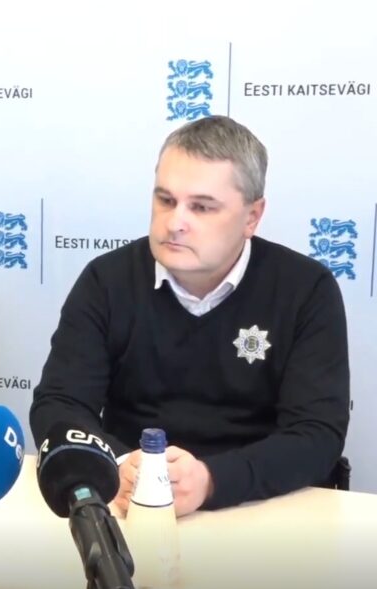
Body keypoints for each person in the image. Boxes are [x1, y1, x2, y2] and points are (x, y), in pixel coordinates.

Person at [30, 115, 349, 516]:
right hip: (131, 505)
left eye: (201, 207)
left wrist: (212, 480)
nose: (175, 223)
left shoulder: (306, 289)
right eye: (165, 200)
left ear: (252, 216)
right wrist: (119, 465)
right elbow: (59, 404)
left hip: (258, 509)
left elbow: (317, 435)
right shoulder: (106, 280)